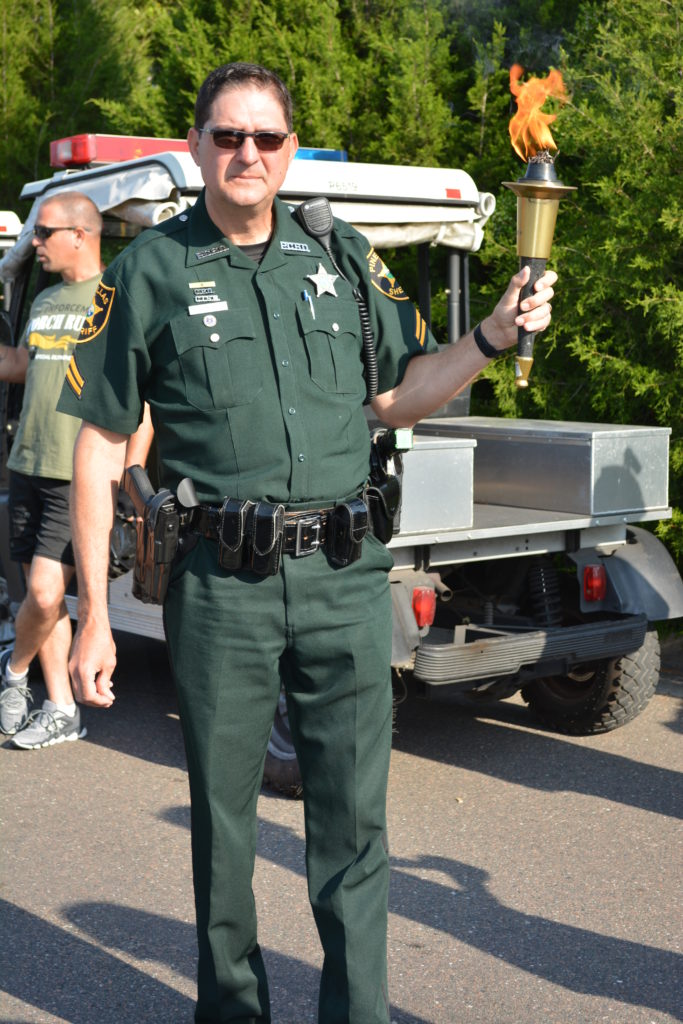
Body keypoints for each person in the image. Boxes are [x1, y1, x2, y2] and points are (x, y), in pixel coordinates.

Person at [57, 63, 557, 1023]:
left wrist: (491, 336)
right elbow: (100, 446)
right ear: (196, 146)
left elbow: (396, 396)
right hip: (221, 588)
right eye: (228, 135)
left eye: (266, 137)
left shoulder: (340, 253)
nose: (247, 153)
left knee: (354, 825)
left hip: (344, 575)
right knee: (224, 828)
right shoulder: (149, 270)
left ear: (289, 149)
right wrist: (92, 618)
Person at [0, 192, 103, 748]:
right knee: (46, 602)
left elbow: (142, 397)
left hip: (75, 472)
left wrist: (132, 470)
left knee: (41, 595)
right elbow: (21, 364)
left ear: (80, 235)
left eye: (43, 233)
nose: (34, 243)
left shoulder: (113, 298)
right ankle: (62, 710)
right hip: (27, 462)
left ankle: (13, 671)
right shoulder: (44, 300)